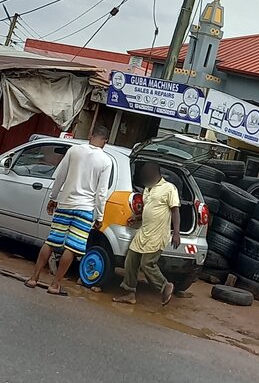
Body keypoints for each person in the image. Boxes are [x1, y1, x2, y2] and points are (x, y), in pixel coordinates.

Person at [25, 125, 112, 295]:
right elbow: (101, 193)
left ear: (90, 135)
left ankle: (34, 278)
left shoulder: (74, 150)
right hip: (85, 209)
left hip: (65, 204)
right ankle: (55, 285)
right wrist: (100, 216)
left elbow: (60, 176)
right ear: (105, 142)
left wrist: (53, 198)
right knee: (71, 248)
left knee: (51, 241)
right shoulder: (105, 161)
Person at [113, 161, 180, 307]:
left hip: (157, 234)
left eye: (147, 173)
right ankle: (129, 293)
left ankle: (165, 286)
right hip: (144, 231)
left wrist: (176, 233)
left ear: (155, 173)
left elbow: (175, 211)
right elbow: (149, 210)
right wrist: (137, 218)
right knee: (131, 260)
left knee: (147, 263)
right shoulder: (147, 189)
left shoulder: (169, 188)